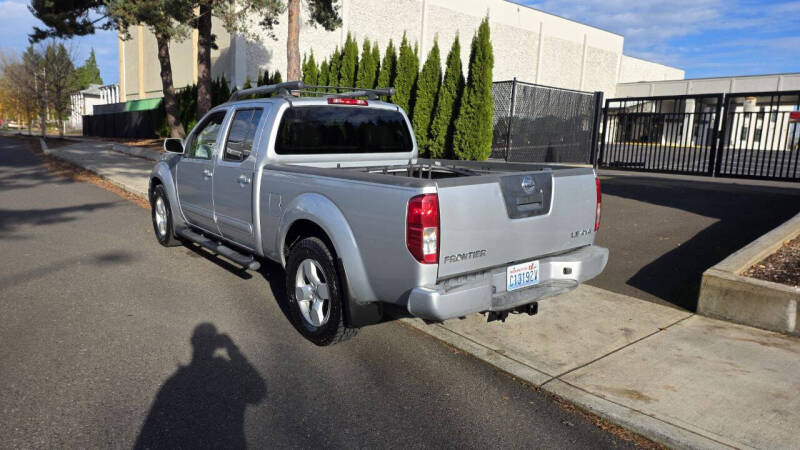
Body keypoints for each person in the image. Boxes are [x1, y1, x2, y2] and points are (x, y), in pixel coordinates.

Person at [134, 323, 266, 449]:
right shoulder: (228, 374)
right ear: (216, 344)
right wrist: (233, 350)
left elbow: (152, 425)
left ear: (192, 342)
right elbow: (257, 391)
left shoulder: (178, 380)